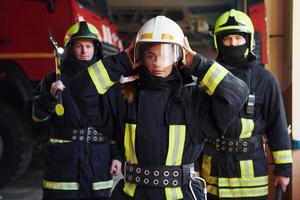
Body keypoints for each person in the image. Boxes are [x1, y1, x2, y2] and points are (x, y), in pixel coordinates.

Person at [69, 16, 249, 200]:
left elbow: (237, 93)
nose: (158, 63)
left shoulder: (194, 99)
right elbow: (79, 89)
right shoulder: (123, 97)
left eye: (167, 55)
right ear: (139, 56)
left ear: (179, 56)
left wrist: (198, 64)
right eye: (150, 55)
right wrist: (122, 61)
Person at [198, 9, 293, 199]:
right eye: (227, 39)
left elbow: (277, 125)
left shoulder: (265, 79)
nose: (233, 43)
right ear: (219, 42)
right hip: (212, 174)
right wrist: (192, 166)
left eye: (238, 38)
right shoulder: (206, 78)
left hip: (252, 178)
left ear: (248, 41)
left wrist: (283, 169)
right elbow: (196, 126)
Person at [29, 21, 122, 200]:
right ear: (71, 48)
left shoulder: (107, 82)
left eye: (88, 46)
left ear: (96, 49)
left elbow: (115, 122)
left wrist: (117, 156)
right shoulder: (53, 80)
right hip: (64, 162)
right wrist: (49, 97)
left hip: (99, 159)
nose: (84, 51)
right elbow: (34, 118)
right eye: (79, 46)